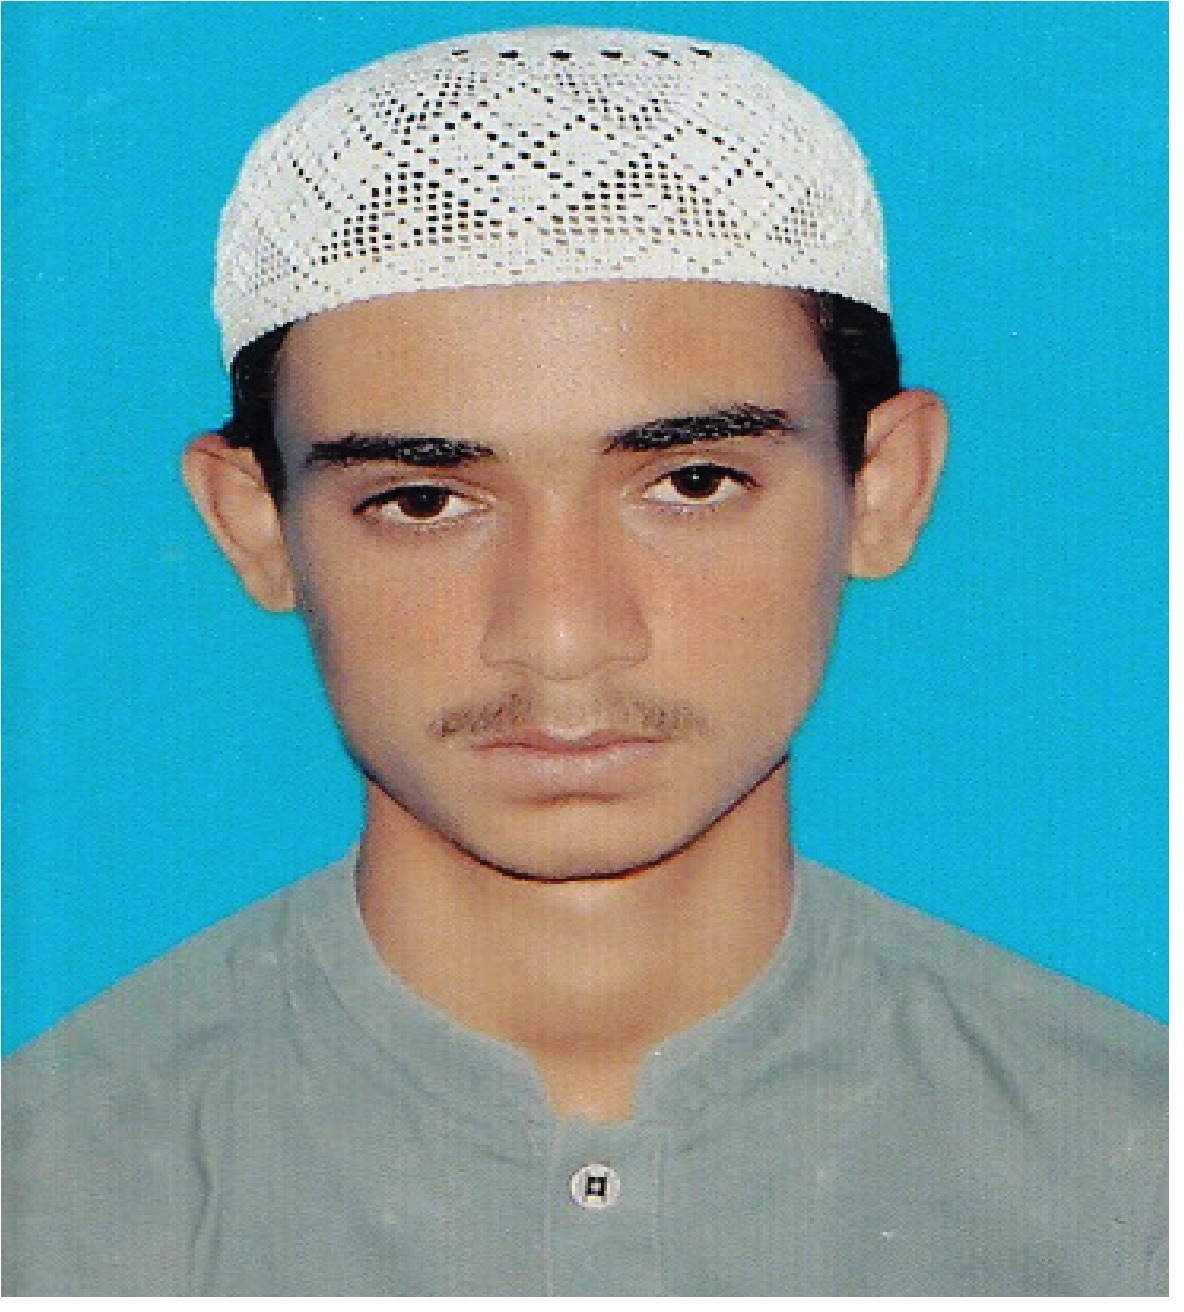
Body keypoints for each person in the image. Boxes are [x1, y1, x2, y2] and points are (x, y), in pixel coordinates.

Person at [2, 26, 1165, 1296]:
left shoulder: (1134, 1176)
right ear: (254, 524)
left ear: (881, 489)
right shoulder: (46, 1195)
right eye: (423, 501)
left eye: (693, 481)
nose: (560, 634)